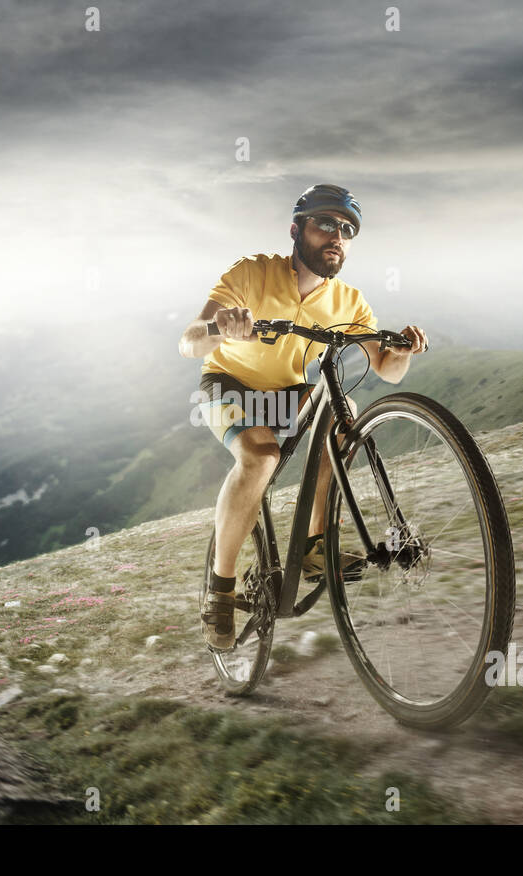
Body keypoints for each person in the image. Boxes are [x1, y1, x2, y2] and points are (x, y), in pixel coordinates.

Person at [178, 184, 428, 651]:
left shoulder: (349, 302)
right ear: (296, 230)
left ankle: (315, 547)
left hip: (288, 391)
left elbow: (386, 369)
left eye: (347, 230)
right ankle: (220, 589)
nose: (338, 236)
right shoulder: (252, 272)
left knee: (345, 414)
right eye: (326, 224)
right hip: (228, 383)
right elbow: (189, 340)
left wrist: (403, 352)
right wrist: (220, 327)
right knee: (260, 458)